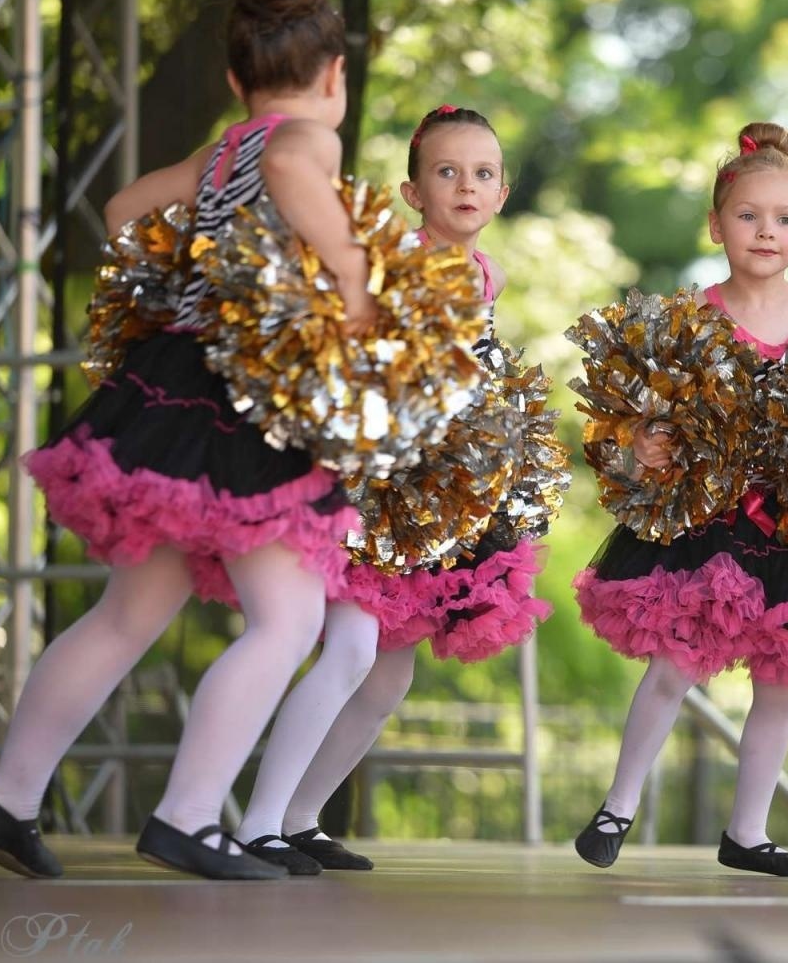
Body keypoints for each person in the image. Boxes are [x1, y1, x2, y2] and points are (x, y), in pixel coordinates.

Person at [0, 0, 370, 881]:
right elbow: (319, 216)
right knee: (290, 617)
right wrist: (357, 294)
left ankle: (7, 798)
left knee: (126, 614)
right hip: (240, 401)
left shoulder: (224, 146)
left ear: (235, 77)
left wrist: (193, 274)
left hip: (167, 385)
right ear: (335, 76)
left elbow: (122, 209)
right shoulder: (307, 143)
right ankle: (187, 817)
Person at [235, 105, 552, 873]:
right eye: (446, 172)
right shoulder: (390, 256)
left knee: (390, 671)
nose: (466, 187)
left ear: (503, 192)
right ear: (414, 193)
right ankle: (257, 823)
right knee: (348, 648)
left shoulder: (488, 276)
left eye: (482, 174)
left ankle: (303, 817)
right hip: (360, 492)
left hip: (425, 505)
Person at [573, 122, 788, 878]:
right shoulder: (690, 315)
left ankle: (748, 832)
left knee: (782, 684)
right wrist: (642, 443)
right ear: (717, 224)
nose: (765, 231)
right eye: (748, 216)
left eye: (782, 219)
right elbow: (637, 417)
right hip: (705, 525)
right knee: (674, 666)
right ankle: (618, 804)